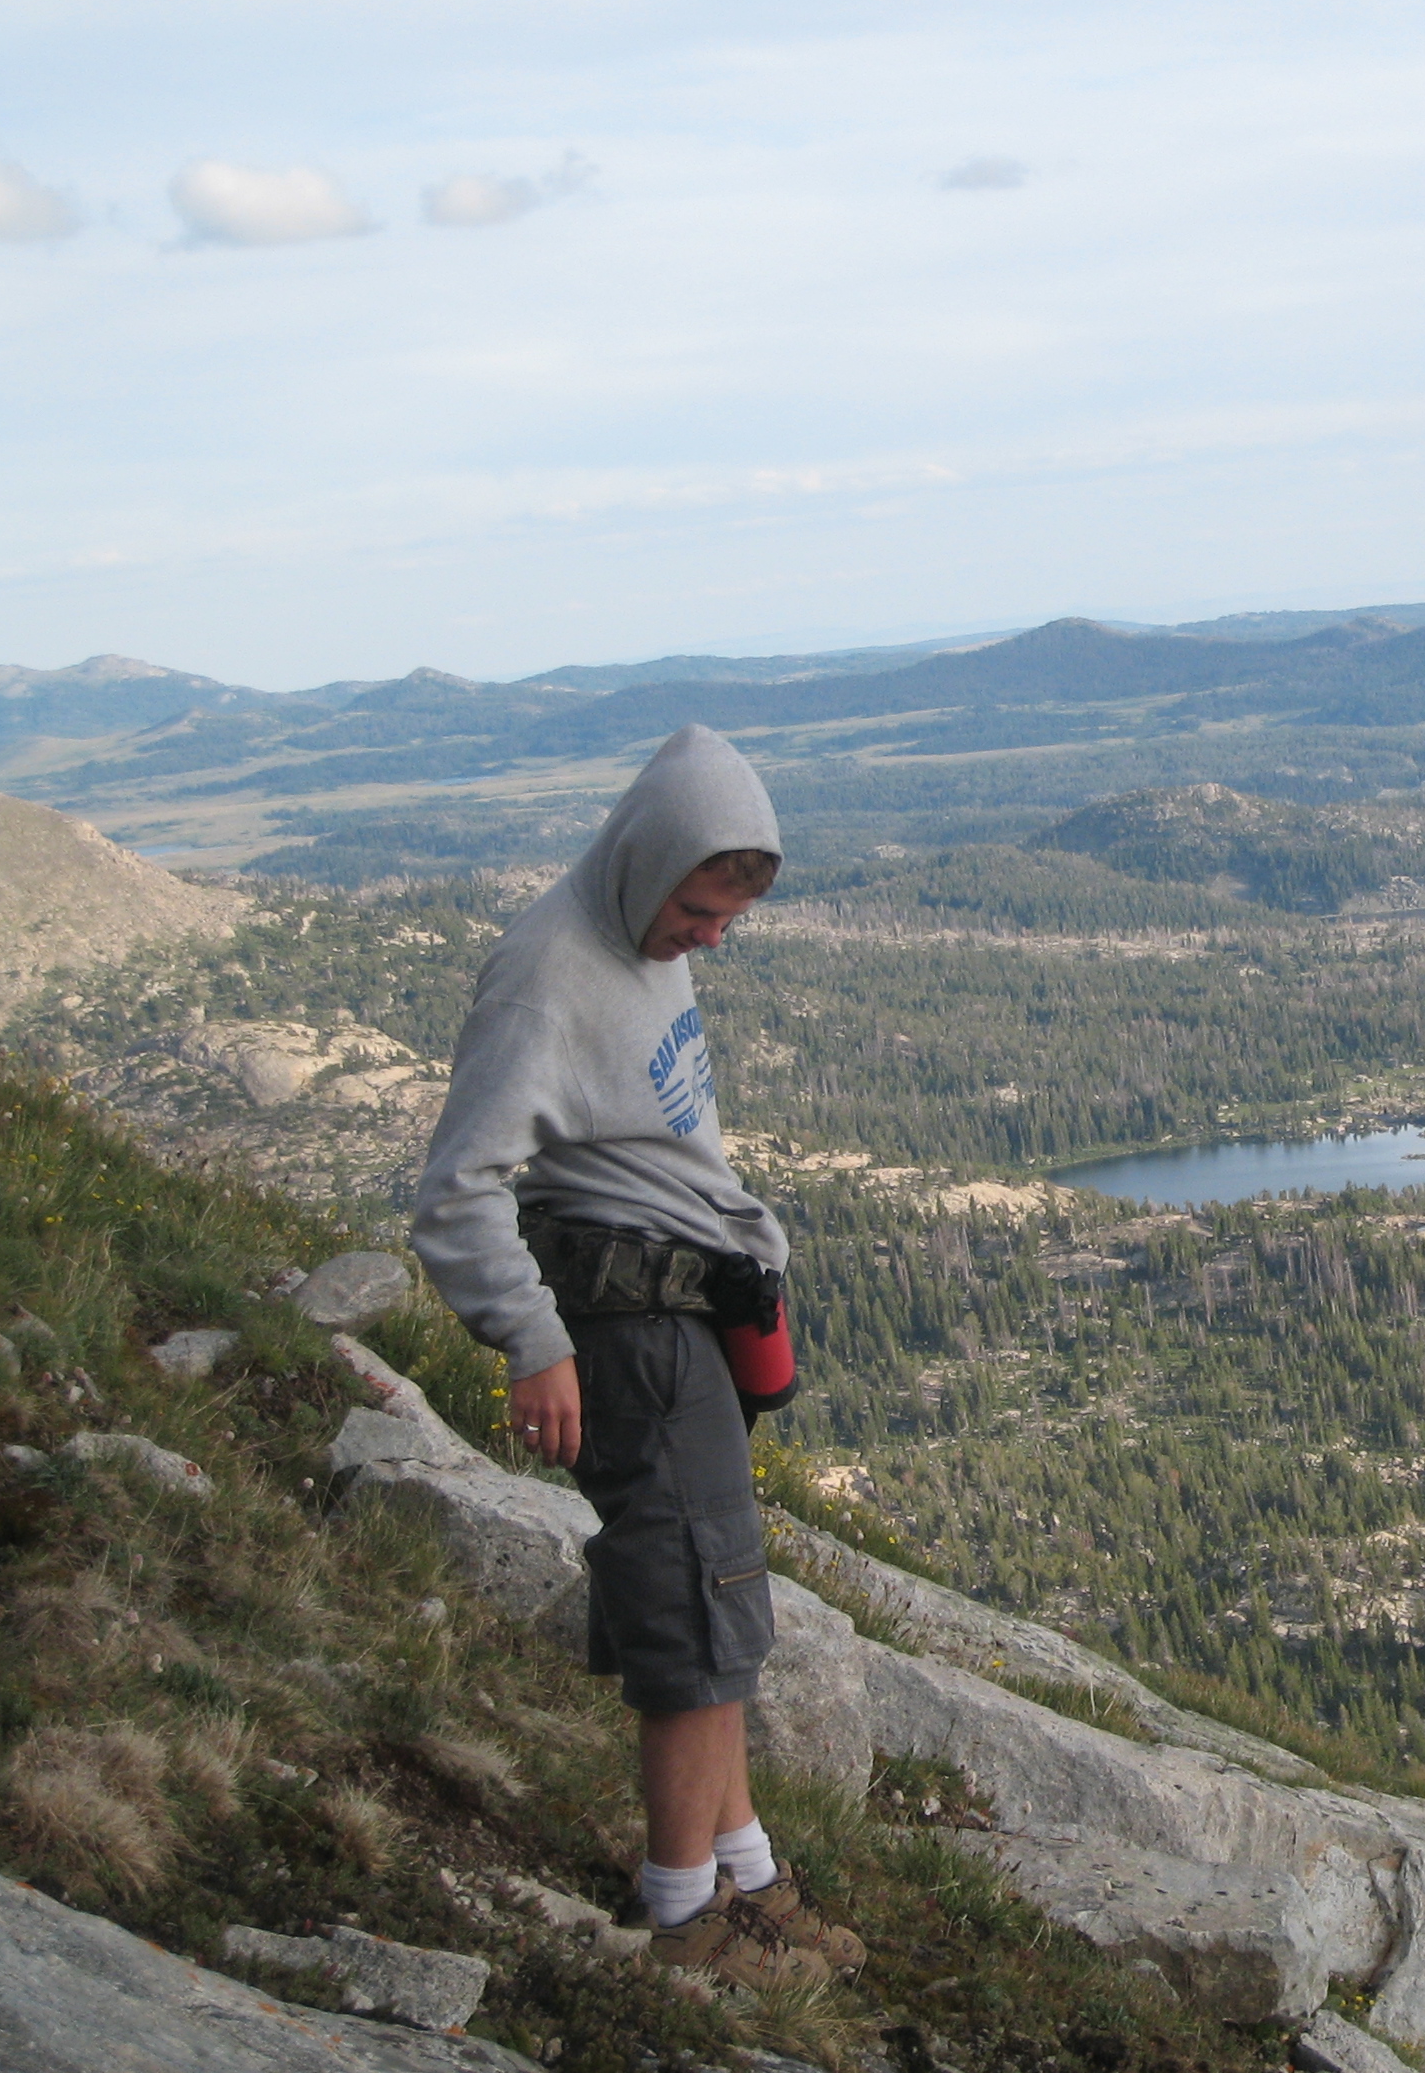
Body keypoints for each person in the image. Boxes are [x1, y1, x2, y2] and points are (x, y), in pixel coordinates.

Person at [411, 725, 859, 1986]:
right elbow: (456, 1191)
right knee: (687, 1631)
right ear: (646, 858)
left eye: (727, 920)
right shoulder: (548, 973)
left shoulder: (645, 940)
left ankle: (750, 1883)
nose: (709, 938)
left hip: (684, 1320)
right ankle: (683, 1927)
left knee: (718, 1610)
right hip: (626, 1333)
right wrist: (532, 1338)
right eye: (698, 910)